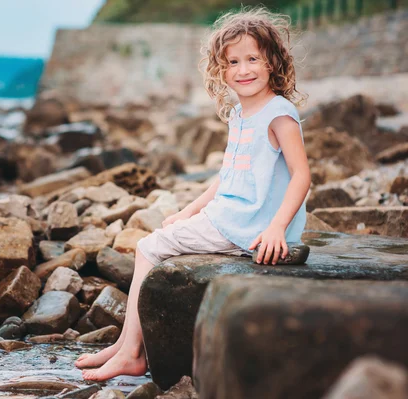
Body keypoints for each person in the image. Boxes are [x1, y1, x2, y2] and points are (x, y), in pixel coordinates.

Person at [76, 6, 311, 381]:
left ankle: (132, 353)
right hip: (234, 216)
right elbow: (227, 176)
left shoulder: (278, 114)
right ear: (221, 70)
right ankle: (123, 346)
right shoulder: (241, 113)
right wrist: (189, 210)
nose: (243, 69)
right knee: (159, 239)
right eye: (232, 62)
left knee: (147, 248)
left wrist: (277, 229)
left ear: (272, 61)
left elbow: (302, 175)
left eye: (252, 58)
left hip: (250, 224)